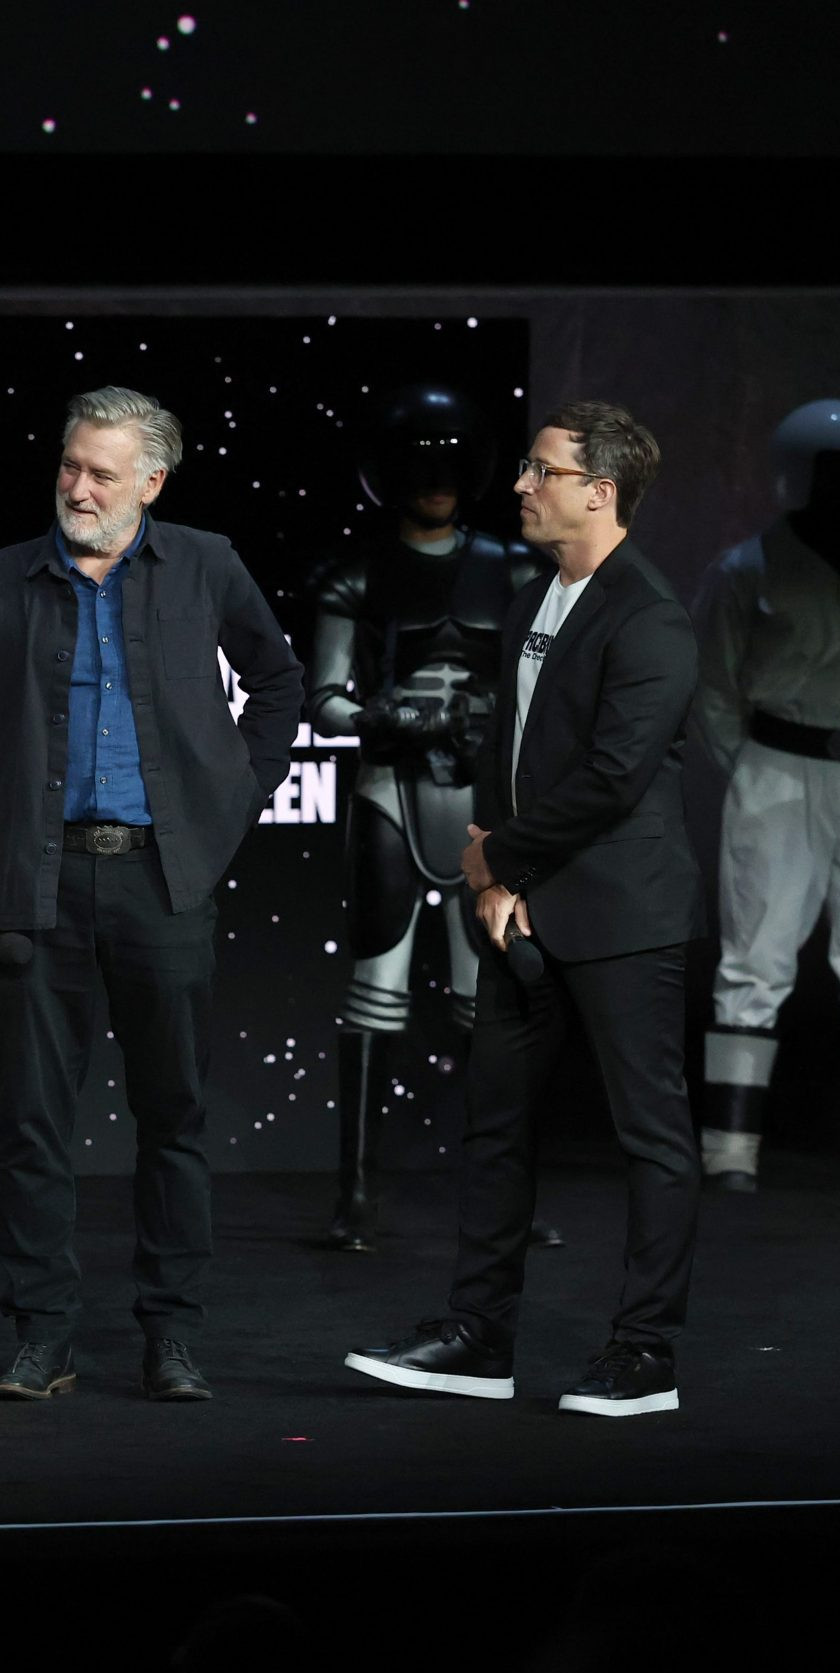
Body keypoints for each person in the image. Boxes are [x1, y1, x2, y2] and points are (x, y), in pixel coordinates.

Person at [0, 385, 304, 1404]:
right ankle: (41, 1336)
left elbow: (278, 683)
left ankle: (171, 1334)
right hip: (33, 886)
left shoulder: (204, 563)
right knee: (32, 1124)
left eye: (101, 471)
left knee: (173, 1116)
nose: (78, 486)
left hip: (159, 879)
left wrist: (232, 796)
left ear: (151, 481)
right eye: (68, 464)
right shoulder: (3, 579)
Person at [347, 400, 702, 1418]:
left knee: (651, 1138)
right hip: (518, 909)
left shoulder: (649, 615)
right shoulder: (532, 597)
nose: (519, 485)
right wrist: (498, 882)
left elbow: (613, 776)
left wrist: (497, 853)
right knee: (496, 1128)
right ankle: (477, 1335)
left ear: (599, 490)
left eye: (541, 471)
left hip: (621, 914)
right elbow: (513, 753)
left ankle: (645, 1353)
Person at [304, 384, 559, 1252]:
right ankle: (357, 1195)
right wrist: (402, 718)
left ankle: (503, 1199)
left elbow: (542, 686)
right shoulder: (357, 573)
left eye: (451, 466)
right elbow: (328, 702)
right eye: (421, 467)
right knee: (375, 992)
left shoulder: (519, 568)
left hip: (485, 805)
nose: (436, 482)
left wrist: (490, 726)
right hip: (391, 792)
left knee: (485, 998)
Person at [697, 399, 840, 1188]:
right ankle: (730, 1146)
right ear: (798, 477)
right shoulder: (745, 570)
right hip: (776, 767)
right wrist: (757, 765)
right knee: (757, 953)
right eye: (830, 473)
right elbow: (715, 686)